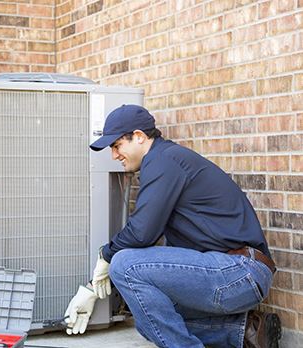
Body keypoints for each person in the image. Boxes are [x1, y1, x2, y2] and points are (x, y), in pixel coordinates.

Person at [64, 104, 281, 347]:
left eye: (116, 146)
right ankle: (245, 332)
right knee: (149, 318)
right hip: (231, 273)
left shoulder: (164, 161)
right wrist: (95, 286)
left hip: (239, 272)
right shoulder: (164, 161)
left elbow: (141, 233)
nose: (114, 155)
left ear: (139, 137)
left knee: (124, 264)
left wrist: (105, 257)